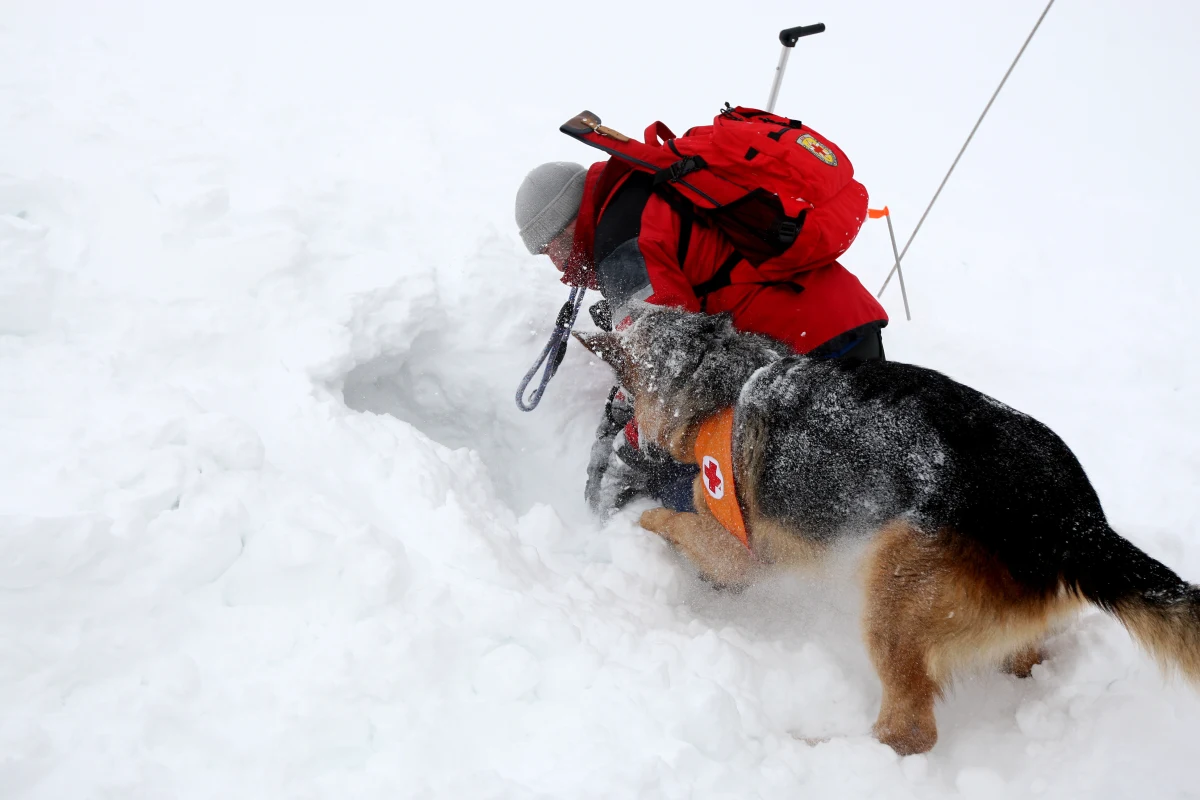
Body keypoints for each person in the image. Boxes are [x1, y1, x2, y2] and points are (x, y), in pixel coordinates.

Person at [515, 160, 888, 515]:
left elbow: (667, 381)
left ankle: (727, 578)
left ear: (571, 225)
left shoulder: (623, 250)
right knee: (871, 484)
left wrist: (623, 462)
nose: (561, 267)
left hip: (804, 357)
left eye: (555, 250)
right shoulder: (644, 194)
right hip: (842, 324)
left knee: (682, 486)